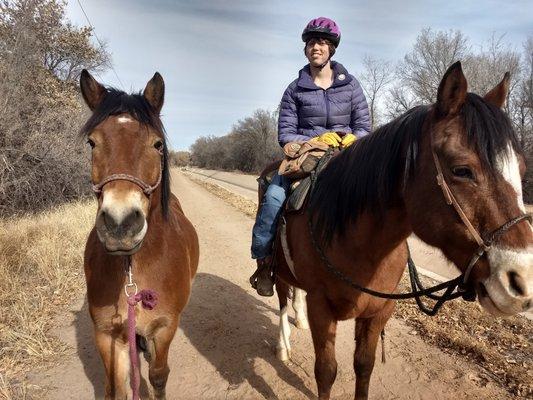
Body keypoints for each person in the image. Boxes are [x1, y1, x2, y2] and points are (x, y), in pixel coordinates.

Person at [250, 17, 371, 296]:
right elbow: (286, 134)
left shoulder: (351, 86)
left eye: (322, 42)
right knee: (272, 199)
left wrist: (355, 139)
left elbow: (364, 126)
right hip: (306, 156)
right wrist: (315, 141)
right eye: (312, 42)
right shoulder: (294, 90)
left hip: (346, 155)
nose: (316, 47)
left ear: (332, 49)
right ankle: (265, 263)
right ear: (306, 49)